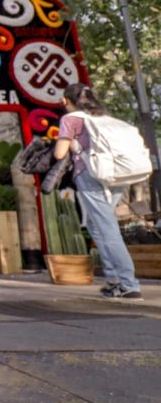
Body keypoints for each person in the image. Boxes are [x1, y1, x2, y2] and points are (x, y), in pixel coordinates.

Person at [53, 83, 142, 300]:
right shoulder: (106, 118)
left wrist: (71, 143)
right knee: (96, 224)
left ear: (65, 101)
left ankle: (129, 284)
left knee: (106, 227)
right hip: (118, 175)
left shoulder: (70, 119)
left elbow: (59, 153)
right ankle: (113, 280)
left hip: (91, 174)